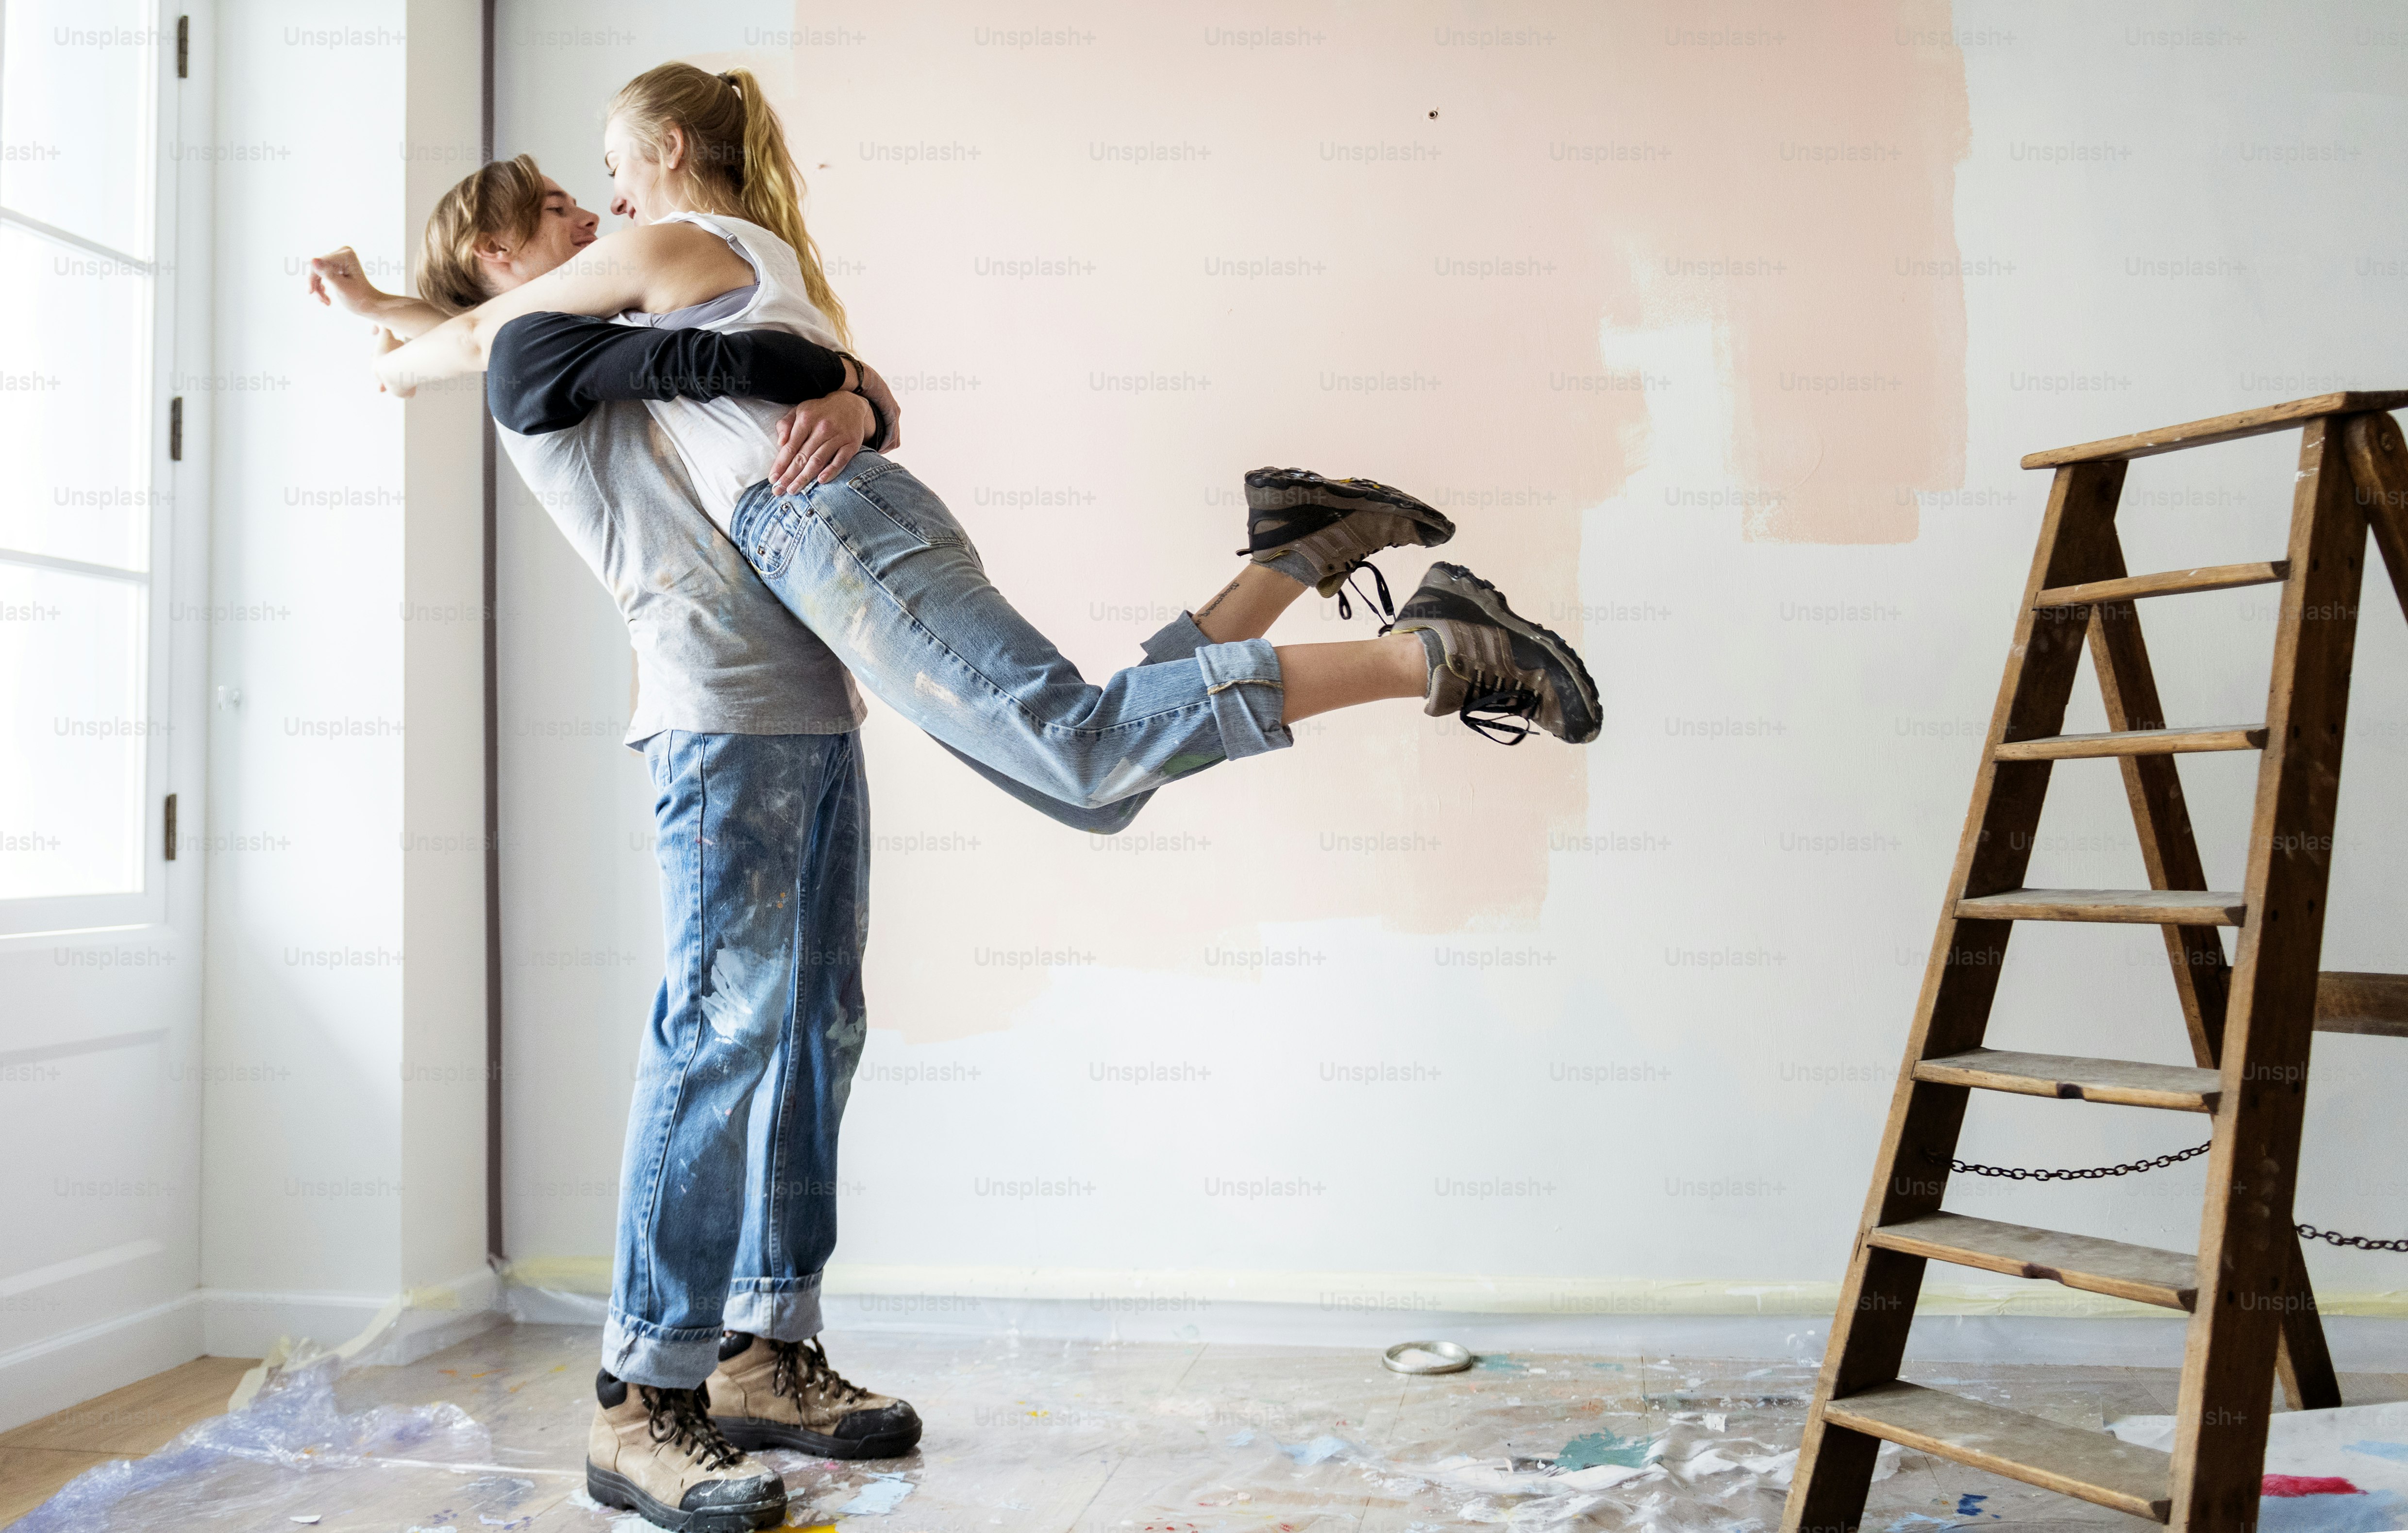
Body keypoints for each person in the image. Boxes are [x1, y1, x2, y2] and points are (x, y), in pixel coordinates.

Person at [318, 61, 1599, 1533]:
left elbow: (603, 330)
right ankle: (640, 1401)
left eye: (596, 181)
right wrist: (389, 327)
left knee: (827, 1013)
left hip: (808, 699)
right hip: (715, 724)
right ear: (492, 262)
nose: (592, 205)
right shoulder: (545, 361)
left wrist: (853, 391)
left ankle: (764, 1348)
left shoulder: (629, 315)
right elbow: (484, 342)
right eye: (552, 209)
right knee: (742, 1015)